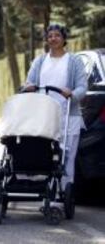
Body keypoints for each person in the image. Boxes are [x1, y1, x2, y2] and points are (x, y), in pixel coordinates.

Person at [25, 24, 87, 192]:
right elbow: (29, 82)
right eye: (50, 35)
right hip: (44, 116)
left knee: (67, 158)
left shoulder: (74, 61)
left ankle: (65, 192)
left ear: (63, 39)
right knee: (45, 155)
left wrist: (72, 94)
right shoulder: (39, 61)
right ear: (47, 39)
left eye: (57, 35)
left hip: (68, 116)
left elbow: (82, 86)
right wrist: (29, 86)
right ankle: (47, 191)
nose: (53, 38)